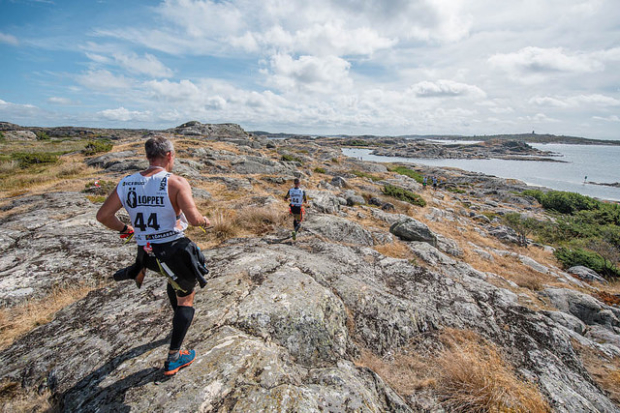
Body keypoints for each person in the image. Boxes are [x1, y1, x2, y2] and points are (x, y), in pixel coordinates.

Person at [96, 135, 211, 376]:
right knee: (186, 299)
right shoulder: (176, 182)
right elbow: (193, 219)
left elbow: (103, 216)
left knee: (173, 281)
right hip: (173, 251)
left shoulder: (127, 183)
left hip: (147, 253)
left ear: (148, 156)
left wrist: (127, 231)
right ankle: (174, 358)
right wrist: (205, 221)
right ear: (169, 155)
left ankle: (172, 317)